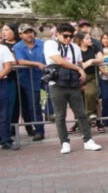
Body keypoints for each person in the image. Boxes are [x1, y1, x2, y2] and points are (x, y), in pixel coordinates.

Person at [45, 23, 102, 155]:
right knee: (60, 115)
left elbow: (79, 62)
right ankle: (64, 142)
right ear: (58, 34)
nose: (68, 39)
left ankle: (88, 140)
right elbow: (59, 61)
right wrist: (77, 69)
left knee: (81, 113)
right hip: (57, 84)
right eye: (65, 36)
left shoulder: (74, 47)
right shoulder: (50, 44)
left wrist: (81, 72)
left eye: (71, 36)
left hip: (73, 83)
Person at [13, 25, 46, 141]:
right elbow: (20, 61)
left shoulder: (42, 43)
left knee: (54, 95)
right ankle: (39, 131)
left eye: (30, 31)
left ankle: (50, 113)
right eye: (26, 32)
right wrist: (37, 64)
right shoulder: (18, 47)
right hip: (28, 79)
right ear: (20, 35)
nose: (29, 34)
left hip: (45, 76)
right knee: (33, 106)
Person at [0, 38, 15, 150]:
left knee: (3, 114)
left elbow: (8, 67)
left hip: (2, 83)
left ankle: (5, 139)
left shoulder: (3, 48)